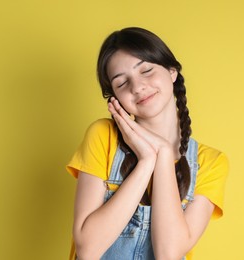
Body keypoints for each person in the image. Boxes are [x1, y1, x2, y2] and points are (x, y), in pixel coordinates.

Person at [66, 27, 229, 260]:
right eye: (122, 83)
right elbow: (88, 249)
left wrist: (163, 154)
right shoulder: (103, 136)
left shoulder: (210, 163)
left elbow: (169, 254)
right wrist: (146, 161)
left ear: (172, 71)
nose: (138, 87)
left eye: (147, 70)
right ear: (115, 98)